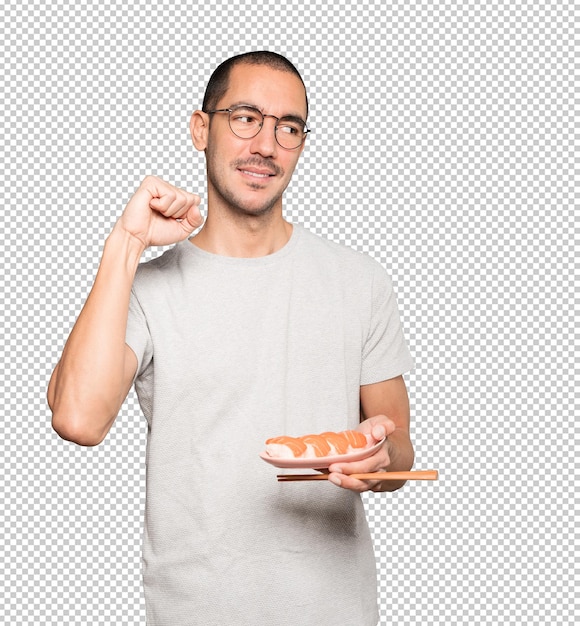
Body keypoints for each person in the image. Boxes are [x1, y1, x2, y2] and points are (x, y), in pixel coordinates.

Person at [47, 51, 415, 626]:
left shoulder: (360, 280)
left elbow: (400, 448)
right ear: (201, 128)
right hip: (196, 611)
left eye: (287, 127)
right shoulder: (148, 288)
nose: (266, 144)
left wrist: (381, 459)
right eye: (245, 118)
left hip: (335, 610)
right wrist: (126, 242)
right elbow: (77, 419)